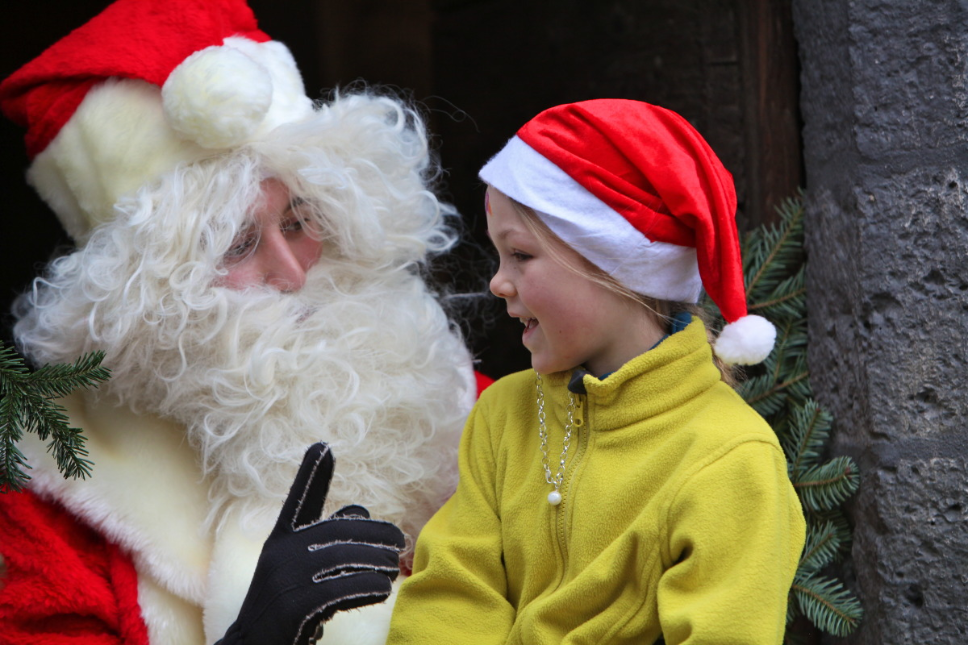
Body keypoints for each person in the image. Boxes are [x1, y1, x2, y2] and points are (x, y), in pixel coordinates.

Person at [0, 0, 482, 643]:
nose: (291, 273)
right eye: (235, 245)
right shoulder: (54, 510)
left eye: (300, 220)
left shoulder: (473, 409)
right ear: (138, 299)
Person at [386, 99, 807, 644]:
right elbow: (453, 597)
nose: (497, 282)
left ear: (614, 265)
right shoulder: (504, 416)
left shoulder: (728, 461)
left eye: (520, 255)